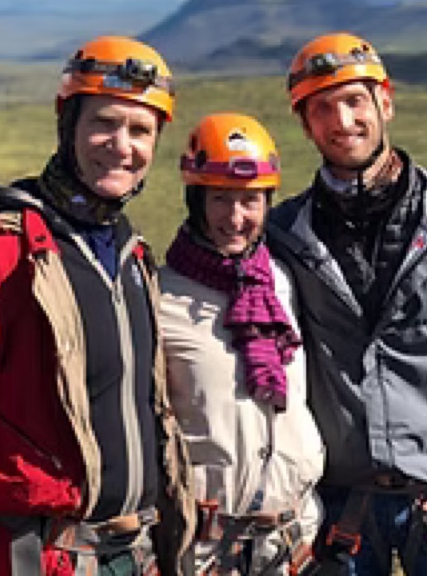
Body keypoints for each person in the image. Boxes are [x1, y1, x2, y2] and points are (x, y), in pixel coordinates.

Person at [0, 35, 195, 576]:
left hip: (135, 554)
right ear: (68, 122)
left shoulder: (132, 256)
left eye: (141, 130)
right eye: (104, 123)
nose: (121, 146)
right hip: (38, 558)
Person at [265, 32, 427, 576]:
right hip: (338, 506)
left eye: (354, 101)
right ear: (305, 124)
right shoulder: (284, 234)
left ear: (385, 102)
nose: (342, 121)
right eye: (322, 108)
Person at [158, 113, 324, 576]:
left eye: (250, 200)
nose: (235, 218)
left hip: (295, 541)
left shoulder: (283, 283)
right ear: (196, 200)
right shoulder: (161, 298)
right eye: (220, 199)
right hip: (207, 551)